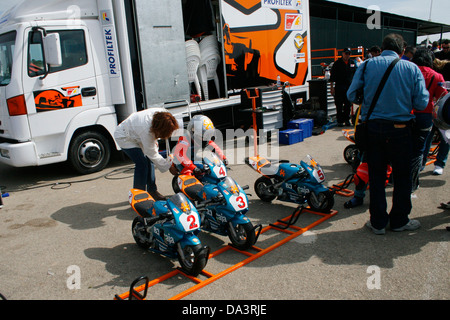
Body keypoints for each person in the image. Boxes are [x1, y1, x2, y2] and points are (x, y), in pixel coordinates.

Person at [347, 33, 429, 235]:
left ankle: (377, 223)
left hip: (373, 129)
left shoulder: (366, 65)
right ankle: (400, 221)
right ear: (402, 51)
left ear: (382, 48)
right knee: (402, 178)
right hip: (401, 131)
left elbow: (351, 95)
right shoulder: (411, 68)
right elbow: (421, 103)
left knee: (376, 177)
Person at [114, 107, 180, 200]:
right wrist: (169, 166)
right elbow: (152, 153)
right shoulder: (146, 130)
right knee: (142, 163)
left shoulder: (165, 115)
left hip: (135, 132)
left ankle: (152, 191)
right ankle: (138, 196)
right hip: (124, 137)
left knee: (149, 161)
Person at [410, 48, 447, 191]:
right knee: (421, 147)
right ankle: (414, 177)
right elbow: (442, 98)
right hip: (426, 114)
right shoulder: (437, 76)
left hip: (405, 113)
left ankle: (398, 176)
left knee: (404, 145)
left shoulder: (408, 71)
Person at [330, 47, 357, 127]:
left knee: (348, 104)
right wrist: (332, 88)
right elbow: (332, 77)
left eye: (349, 53)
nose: (347, 55)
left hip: (349, 87)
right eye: (346, 53)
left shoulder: (352, 63)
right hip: (339, 87)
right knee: (339, 104)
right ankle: (340, 120)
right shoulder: (337, 63)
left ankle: (346, 120)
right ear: (342, 53)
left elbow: (355, 76)